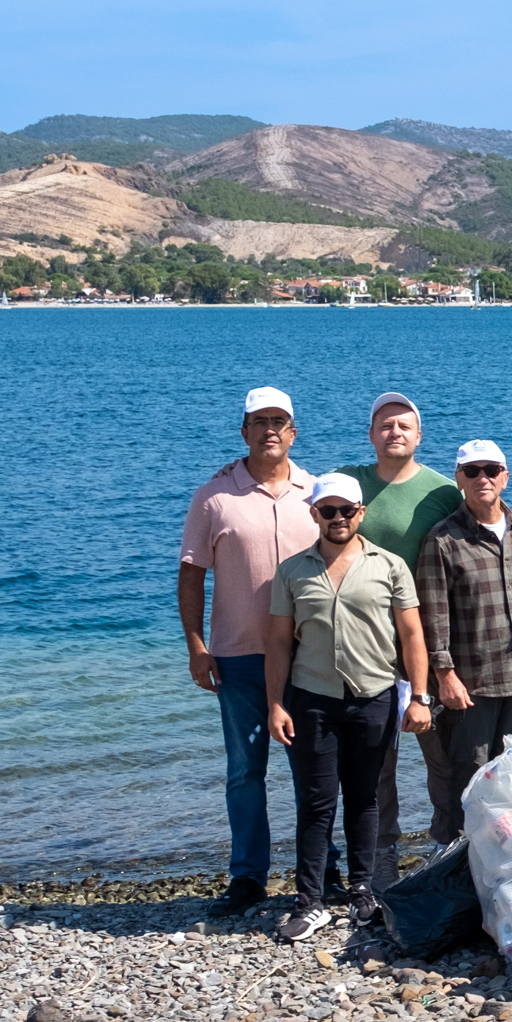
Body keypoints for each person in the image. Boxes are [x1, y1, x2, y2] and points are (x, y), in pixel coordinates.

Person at [264, 474, 433, 942]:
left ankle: (362, 893)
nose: (337, 519)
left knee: (365, 799)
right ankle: (310, 901)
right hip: (312, 698)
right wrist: (276, 704)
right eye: (327, 511)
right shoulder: (293, 571)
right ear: (314, 514)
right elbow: (278, 643)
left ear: (361, 514)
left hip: (374, 696)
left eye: (346, 511)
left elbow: (412, 635)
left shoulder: (390, 566)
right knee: (316, 803)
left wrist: (419, 696)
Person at [180, 386, 319, 919]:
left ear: (293, 431)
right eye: (258, 421)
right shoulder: (215, 496)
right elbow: (191, 575)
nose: (269, 430)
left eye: (279, 421)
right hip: (238, 656)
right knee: (245, 771)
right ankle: (248, 877)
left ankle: (319, 868)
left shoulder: (315, 491)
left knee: (311, 768)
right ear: (243, 431)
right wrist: (196, 645)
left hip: (311, 656)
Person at [337, 392, 464, 902]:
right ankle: (380, 857)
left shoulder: (443, 490)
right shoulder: (350, 483)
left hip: (429, 646)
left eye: (404, 425)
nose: (395, 432)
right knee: (375, 764)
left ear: (419, 435)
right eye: (385, 424)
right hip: (364, 646)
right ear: (371, 434)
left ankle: (444, 845)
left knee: (442, 756)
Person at [416, 440, 512, 835]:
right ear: (459, 479)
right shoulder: (443, 539)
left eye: (491, 470)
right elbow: (432, 612)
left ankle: (509, 863)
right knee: (469, 778)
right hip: (472, 683)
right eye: (472, 471)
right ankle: (459, 861)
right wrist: (445, 675)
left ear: (505, 476)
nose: (482, 478)